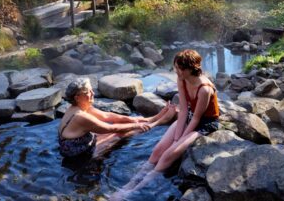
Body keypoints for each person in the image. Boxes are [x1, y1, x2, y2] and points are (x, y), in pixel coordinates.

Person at [111, 49, 219, 199]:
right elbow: (183, 111)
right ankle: (129, 184)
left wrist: (179, 140)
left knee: (169, 155)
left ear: (192, 68)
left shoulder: (204, 89)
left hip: (204, 123)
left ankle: (131, 192)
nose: (177, 71)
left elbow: (196, 119)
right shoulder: (182, 79)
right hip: (188, 116)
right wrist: (176, 138)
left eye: (181, 68)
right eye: (176, 67)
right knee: (157, 151)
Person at [58, 77, 176, 159]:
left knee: (119, 128)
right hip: (78, 154)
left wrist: (133, 119)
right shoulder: (80, 116)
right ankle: (160, 121)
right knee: (119, 134)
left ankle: (153, 118)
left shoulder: (80, 106)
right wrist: (136, 125)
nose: (93, 93)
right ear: (78, 97)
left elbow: (107, 116)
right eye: (88, 92)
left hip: (80, 142)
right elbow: (112, 128)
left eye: (92, 90)